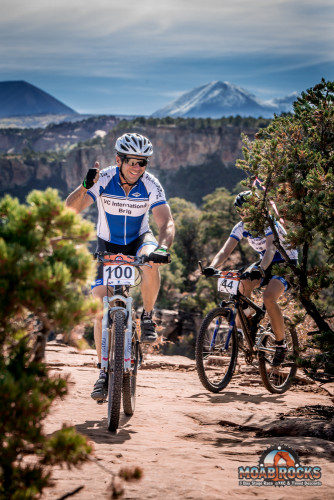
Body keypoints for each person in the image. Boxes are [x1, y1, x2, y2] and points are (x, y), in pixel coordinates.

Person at [66, 132, 175, 399]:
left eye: (142, 162)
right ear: (119, 160)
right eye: (131, 162)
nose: (137, 168)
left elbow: (166, 222)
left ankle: (147, 317)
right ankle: (103, 372)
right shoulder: (103, 179)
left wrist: (162, 248)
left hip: (139, 240)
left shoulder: (151, 184)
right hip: (108, 245)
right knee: (100, 308)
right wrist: (84, 186)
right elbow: (70, 210)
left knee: (150, 262)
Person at [203, 190, 298, 366]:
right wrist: (212, 266)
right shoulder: (241, 227)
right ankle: (243, 327)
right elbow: (225, 250)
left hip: (286, 262)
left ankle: (281, 345)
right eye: (240, 211)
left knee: (269, 298)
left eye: (246, 209)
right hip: (266, 262)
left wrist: (260, 269)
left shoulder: (270, 223)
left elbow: (270, 249)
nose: (243, 214)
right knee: (242, 285)